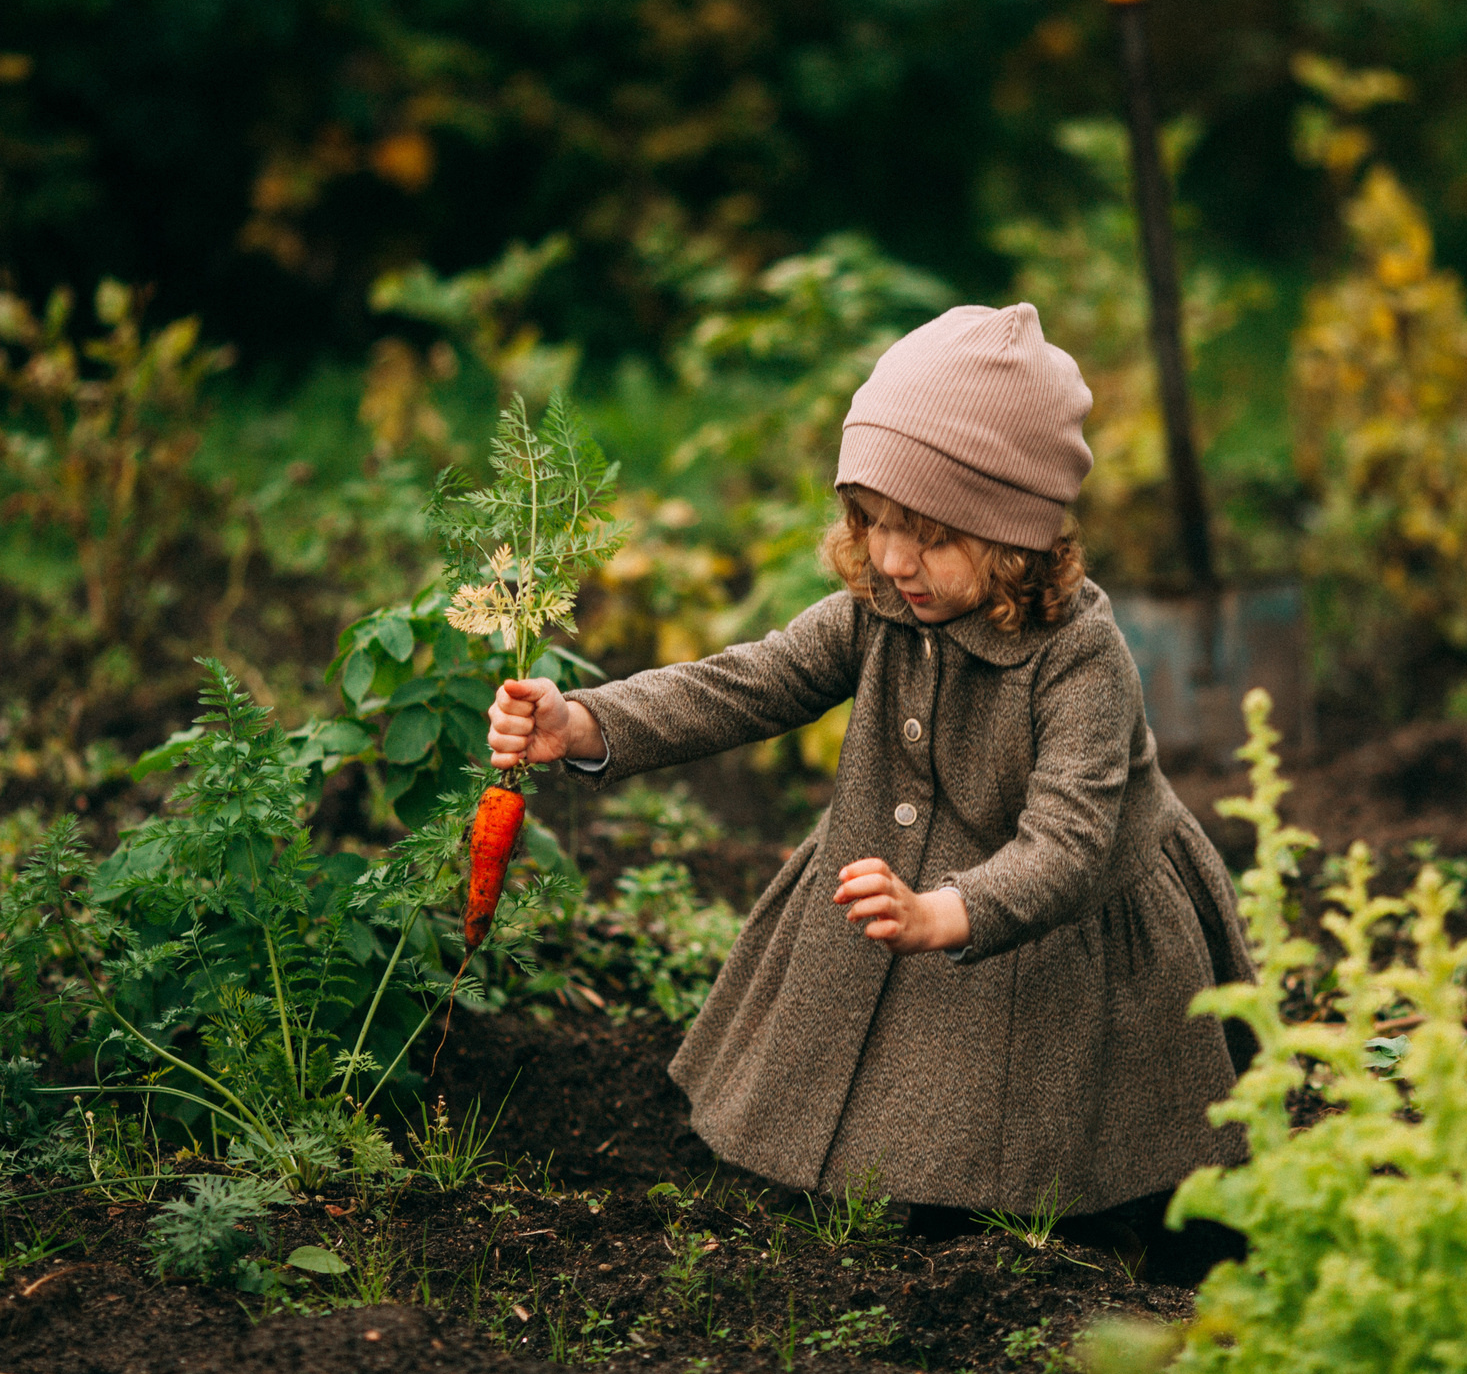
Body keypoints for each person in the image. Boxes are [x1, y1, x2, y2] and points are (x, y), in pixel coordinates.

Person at [485, 301, 1254, 1263]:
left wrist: (949, 911)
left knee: (1065, 1167)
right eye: (874, 522)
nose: (893, 559)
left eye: (929, 535)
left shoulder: (1080, 660)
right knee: (881, 1117)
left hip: (1059, 926)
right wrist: (589, 720)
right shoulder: (881, 607)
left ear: (1014, 532)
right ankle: (885, 1182)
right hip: (910, 888)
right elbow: (748, 682)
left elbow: (1069, 842)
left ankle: (1075, 1226)